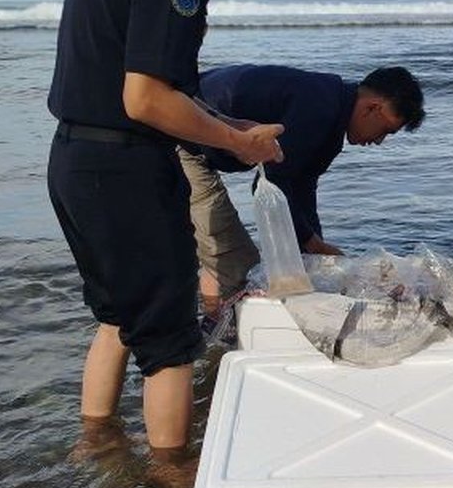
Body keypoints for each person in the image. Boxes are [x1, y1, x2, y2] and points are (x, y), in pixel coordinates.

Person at [46, 0, 297, 461]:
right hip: (125, 168)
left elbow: (152, 82)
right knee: (171, 340)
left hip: (76, 159)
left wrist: (226, 120)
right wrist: (238, 143)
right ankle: (171, 479)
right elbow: (148, 98)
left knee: (119, 318)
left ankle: (96, 445)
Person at [180, 64, 426, 312]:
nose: (379, 141)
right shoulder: (319, 110)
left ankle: (210, 323)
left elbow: (303, 190)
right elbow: (270, 184)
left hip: (198, 118)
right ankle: (228, 335)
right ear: (372, 107)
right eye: (386, 130)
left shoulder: (332, 110)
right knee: (240, 264)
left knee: (220, 252)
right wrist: (316, 247)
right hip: (180, 134)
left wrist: (315, 255)